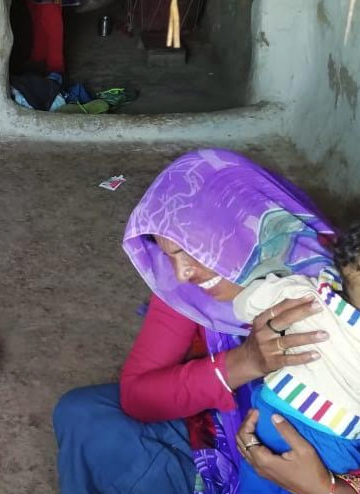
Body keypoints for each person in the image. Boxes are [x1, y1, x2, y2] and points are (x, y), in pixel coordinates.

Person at [53, 148, 360, 494]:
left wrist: (327, 487)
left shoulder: (341, 284)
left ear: (238, 229)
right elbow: (137, 396)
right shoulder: (189, 293)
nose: (181, 273)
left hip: (319, 462)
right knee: (82, 413)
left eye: (191, 250)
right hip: (220, 436)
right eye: (170, 255)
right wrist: (244, 362)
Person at [231, 223, 360, 492]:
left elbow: (243, 304)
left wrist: (268, 290)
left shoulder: (306, 294)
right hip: (334, 440)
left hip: (269, 414)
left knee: (254, 479)